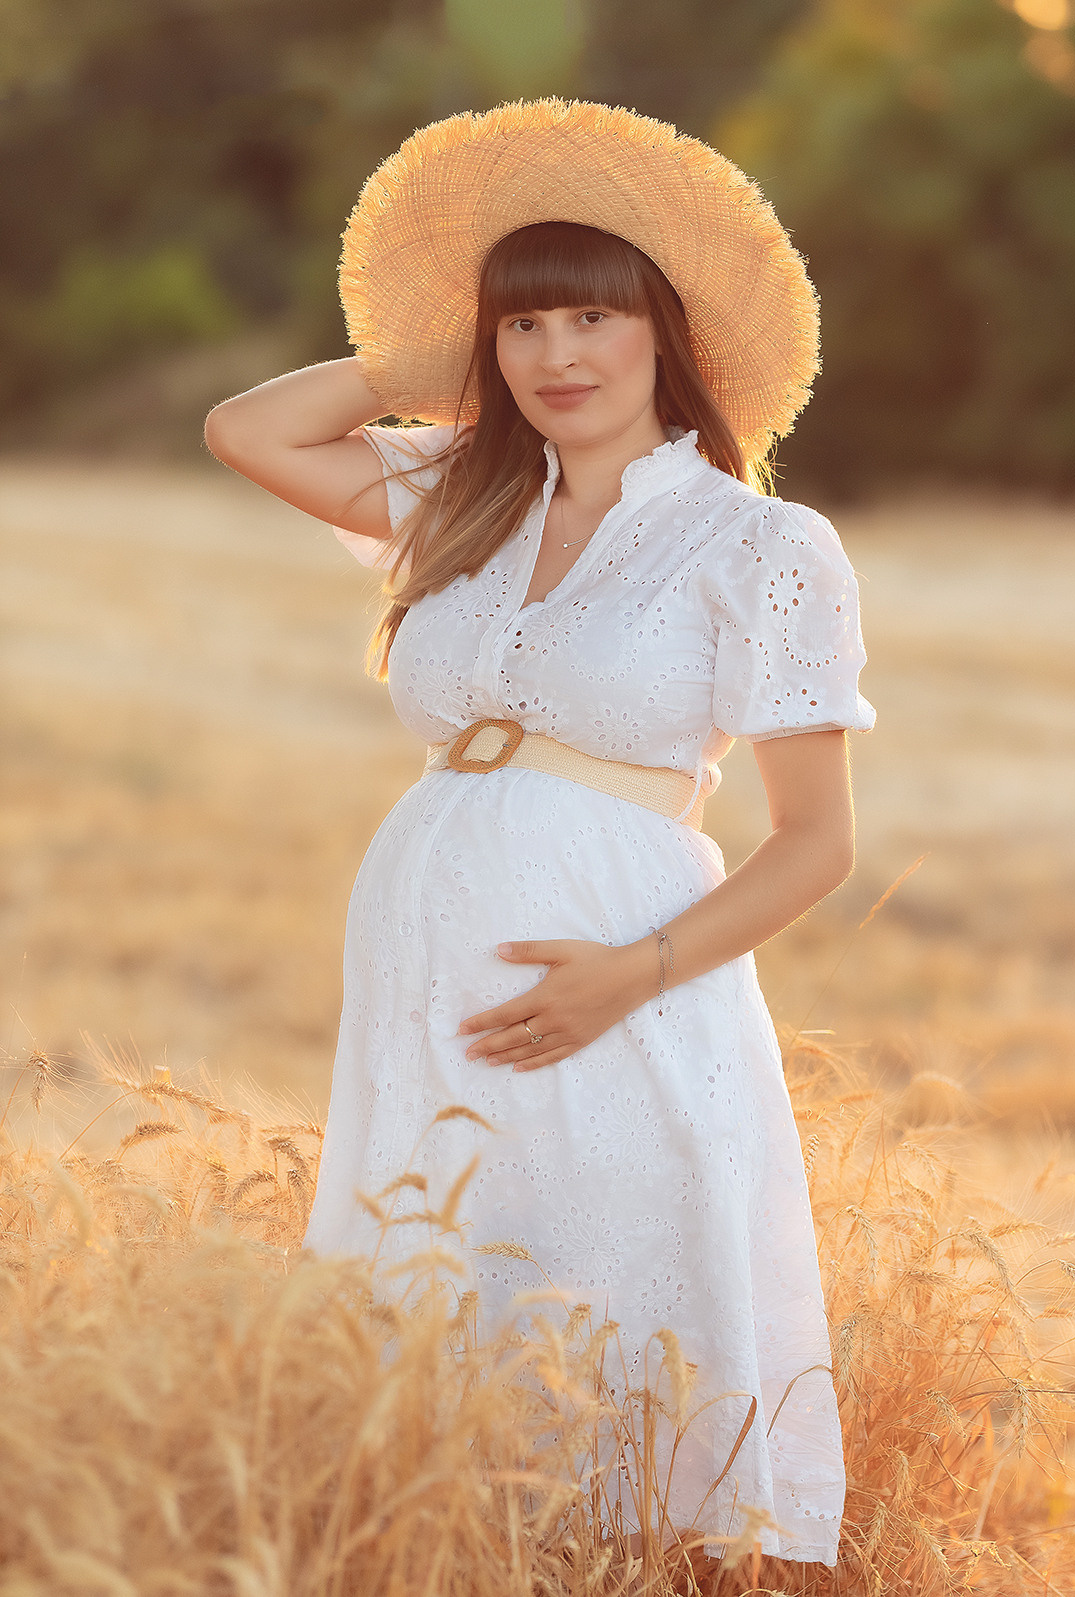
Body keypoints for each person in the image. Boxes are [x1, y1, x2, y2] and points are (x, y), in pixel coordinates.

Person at [204, 98, 875, 1574]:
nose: (557, 356)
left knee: (614, 1294)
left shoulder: (761, 544)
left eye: (591, 316)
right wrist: (435, 344)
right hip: (424, 972)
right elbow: (246, 428)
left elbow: (813, 841)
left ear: (667, 334)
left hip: (618, 973)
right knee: (443, 1284)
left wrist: (629, 974)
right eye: (523, 327)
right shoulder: (463, 492)